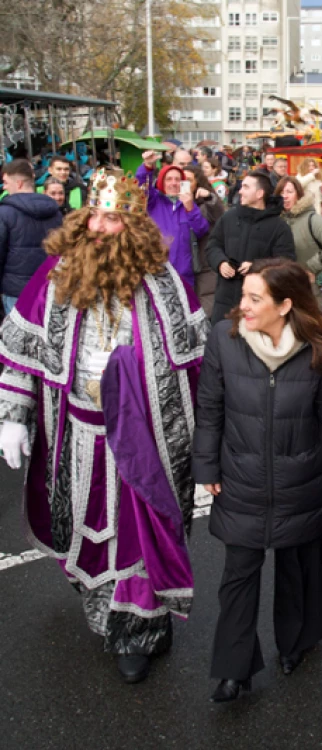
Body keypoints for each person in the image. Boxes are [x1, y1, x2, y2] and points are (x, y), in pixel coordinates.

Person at [0, 167, 207, 684]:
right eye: (94, 214)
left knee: (140, 536)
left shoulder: (166, 284)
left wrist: (210, 442)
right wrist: (13, 417)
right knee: (89, 533)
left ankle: (139, 630)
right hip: (76, 435)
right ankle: (105, 612)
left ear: (134, 225)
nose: (99, 226)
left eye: (112, 218)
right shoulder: (55, 277)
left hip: (146, 439)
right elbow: (22, 357)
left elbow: (200, 369)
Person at [193, 258, 322, 703]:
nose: (244, 306)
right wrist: (206, 467)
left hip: (301, 475)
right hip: (240, 474)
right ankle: (234, 669)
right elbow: (211, 406)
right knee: (239, 573)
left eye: (256, 298)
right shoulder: (225, 337)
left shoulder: (319, 345)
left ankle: (296, 643)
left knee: (298, 565)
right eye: (244, 296)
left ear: (286, 304)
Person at [206, 171, 295, 325]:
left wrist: (257, 267)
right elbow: (213, 245)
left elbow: (286, 262)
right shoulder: (229, 218)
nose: (240, 191)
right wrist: (220, 262)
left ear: (260, 193)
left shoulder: (279, 227)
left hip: (259, 304)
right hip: (225, 302)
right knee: (222, 344)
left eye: (246, 187)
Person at [136, 150, 211, 289]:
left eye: (178, 180)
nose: (173, 183)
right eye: (168, 179)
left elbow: (201, 230)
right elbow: (141, 186)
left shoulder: (188, 203)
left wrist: (190, 208)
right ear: (161, 182)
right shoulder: (154, 201)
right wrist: (147, 166)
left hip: (184, 275)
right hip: (157, 272)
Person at [0, 159, 62, 314]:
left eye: (6, 182)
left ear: (19, 183)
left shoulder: (4, 213)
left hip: (16, 291)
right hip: (49, 288)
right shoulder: (55, 212)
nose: (4, 187)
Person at [275, 176, 322, 309]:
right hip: (283, 285)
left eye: (289, 192)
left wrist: (310, 267)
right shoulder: (277, 220)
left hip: (310, 287)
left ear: (299, 195)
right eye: (281, 193)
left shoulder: (311, 219)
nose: (285, 196)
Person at [183, 165, 225, 317]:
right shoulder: (175, 203)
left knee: (205, 308)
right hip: (185, 263)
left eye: (189, 180)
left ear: (197, 183)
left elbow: (220, 215)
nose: (185, 184)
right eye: (182, 180)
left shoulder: (205, 202)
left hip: (204, 263)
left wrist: (209, 198)